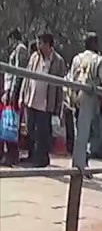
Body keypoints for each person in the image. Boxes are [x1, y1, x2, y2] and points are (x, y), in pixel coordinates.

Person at [19, 33, 67, 168]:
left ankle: (41, 159)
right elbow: (27, 77)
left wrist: (58, 106)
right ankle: (32, 156)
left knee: (42, 132)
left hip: (46, 103)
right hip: (31, 99)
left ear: (48, 45)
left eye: (41, 43)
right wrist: (23, 95)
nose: (38, 46)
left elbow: (59, 86)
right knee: (30, 129)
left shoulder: (58, 61)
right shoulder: (34, 57)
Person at [65, 32, 102, 162]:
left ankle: (78, 160)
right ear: (94, 43)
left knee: (79, 131)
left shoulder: (77, 58)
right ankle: (85, 155)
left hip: (76, 98)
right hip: (92, 99)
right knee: (96, 133)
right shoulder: (99, 60)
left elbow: (71, 77)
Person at [2, 28, 29, 166]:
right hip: (10, 90)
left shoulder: (20, 49)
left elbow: (18, 73)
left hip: (14, 92)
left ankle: (12, 154)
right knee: (9, 123)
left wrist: (13, 92)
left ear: (13, 38)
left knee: (11, 124)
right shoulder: (16, 50)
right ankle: (11, 154)